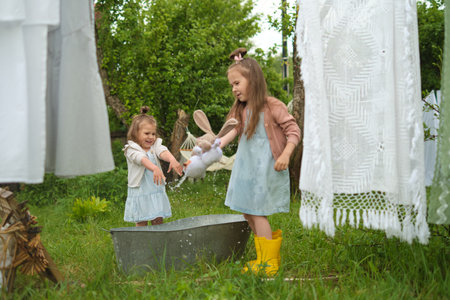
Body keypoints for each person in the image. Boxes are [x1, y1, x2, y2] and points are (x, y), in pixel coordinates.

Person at [219, 48, 301, 276]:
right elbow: (231, 132)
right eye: (232, 85)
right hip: (247, 170)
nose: (234, 89)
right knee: (248, 212)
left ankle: (269, 264)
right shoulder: (242, 109)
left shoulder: (272, 105)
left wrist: (286, 154)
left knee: (257, 212)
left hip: (266, 168)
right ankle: (264, 258)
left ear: (252, 80)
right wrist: (216, 146)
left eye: (237, 83)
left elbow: (293, 130)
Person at [123, 106, 183, 227]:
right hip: (140, 191)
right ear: (135, 133)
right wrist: (154, 168)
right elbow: (141, 159)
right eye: (147, 133)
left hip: (155, 190)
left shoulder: (154, 145)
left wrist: (172, 159)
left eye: (153, 134)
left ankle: (158, 242)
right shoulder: (131, 148)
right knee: (142, 220)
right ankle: (143, 242)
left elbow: (162, 151)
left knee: (158, 219)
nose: (151, 137)